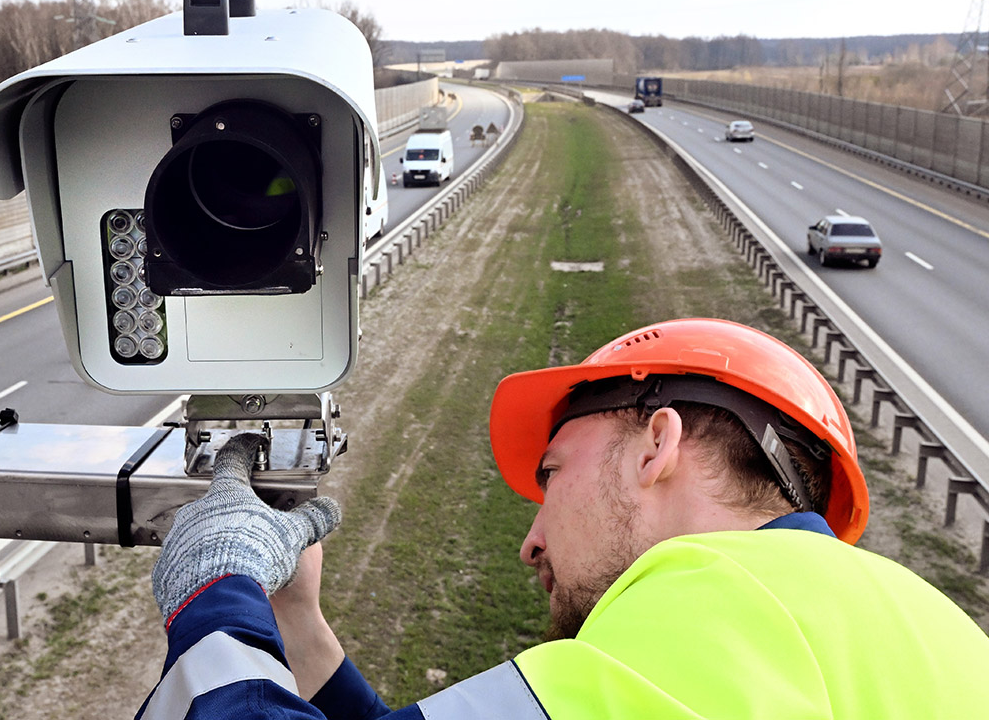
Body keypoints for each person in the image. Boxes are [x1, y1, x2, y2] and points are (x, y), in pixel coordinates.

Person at [137, 318, 989, 719]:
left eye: (551, 477)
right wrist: (301, 627)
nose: (531, 540)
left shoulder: (720, 610)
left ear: (657, 443)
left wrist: (218, 591)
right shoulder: (930, 635)